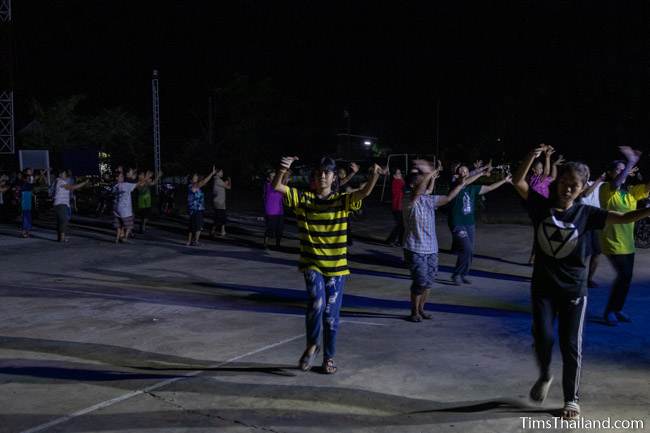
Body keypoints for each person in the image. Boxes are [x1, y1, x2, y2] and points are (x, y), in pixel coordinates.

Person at [512, 145, 650, 420]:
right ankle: (544, 374)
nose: (567, 188)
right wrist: (531, 156)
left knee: (570, 344)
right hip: (543, 288)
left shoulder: (588, 215)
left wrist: (647, 212)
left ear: (582, 187)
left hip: (574, 289)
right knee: (542, 337)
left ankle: (571, 399)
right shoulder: (540, 207)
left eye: (573, 185)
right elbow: (518, 181)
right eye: (564, 182)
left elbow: (622, 218)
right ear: (557, 182)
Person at [271, 156, 382, 374]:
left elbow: (364, 193)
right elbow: (277, 186)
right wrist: (282, 167)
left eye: (327, 172)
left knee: (331, 315)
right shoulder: (302, 198)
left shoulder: (343, 200)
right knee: (316, 303)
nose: (322, 176)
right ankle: (312, 344)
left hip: (337, 267)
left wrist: (374, 176)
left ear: (334, 177)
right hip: (312, 263)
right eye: (319, 172)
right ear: (314, 177)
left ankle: (328, 357)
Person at [402, 160, 468, 322]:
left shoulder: (427, 200)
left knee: (429, 282)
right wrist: (431, 173)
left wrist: (460, 185)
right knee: (420, 281)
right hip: (415, 248)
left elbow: (447, 198)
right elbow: (418, 191)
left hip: (431, 248)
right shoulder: (409, 200)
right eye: (419, 180)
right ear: (412, 185)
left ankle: (421, 309)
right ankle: (414, 312)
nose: (422, 183)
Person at [599, 147, 650, 325]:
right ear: (610, 173)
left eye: (624, 170)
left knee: (626, 278)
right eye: (618, 169)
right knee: (624, 276)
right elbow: (615, 184)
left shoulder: (629, 192)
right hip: (612, 242)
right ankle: (609, 312)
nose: (622, 172)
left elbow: (647, 188)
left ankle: (617, 309)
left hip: (628, 243)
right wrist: (630, 162)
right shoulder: (606, 188)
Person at [448, 162, 512, 284]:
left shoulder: (472, 188)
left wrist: (504, 180)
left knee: (470, 250)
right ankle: (457, 274)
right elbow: (464, 182)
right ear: (456, 174)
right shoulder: (455, 184)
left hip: (469, 223)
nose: (464, 173)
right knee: (466, 248)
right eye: (461, 171)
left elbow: (489, 188)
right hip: (457, 223)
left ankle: (463, 274)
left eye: (466, 171)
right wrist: (482, 172)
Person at [579, 167, 605, 288]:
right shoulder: (580, 185)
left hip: (596, 221)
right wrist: (599, 180)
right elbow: (586, 194)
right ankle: (579, 278)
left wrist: (626, 171)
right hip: (583, 221)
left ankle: (589, 279)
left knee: (597, 252)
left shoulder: (600, 184)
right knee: (584, 253)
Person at [53, 170, 89, 243]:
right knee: (64, 220)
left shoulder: (61, 181)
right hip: (61, 204)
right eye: (62, 174)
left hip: (62, 204)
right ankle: (62, 238)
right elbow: (71, 187)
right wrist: (84, 183)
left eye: (64, 174)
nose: (63, 175)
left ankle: (60, 237)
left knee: (61, 221)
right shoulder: (60, 181)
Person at [188, 166, 217, 246]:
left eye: (196, 176)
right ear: (191, 179)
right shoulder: (193, 186)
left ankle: (189, 241)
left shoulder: (193, 186)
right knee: (199, 225)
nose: (196, 177)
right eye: (194, 177)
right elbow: (203, 182)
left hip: (195, 209)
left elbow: (203, 183)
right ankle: (195, 241)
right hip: (196, 209)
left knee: (192, 225)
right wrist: (211, 174)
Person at [112, 168, 143, 244]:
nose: (123, 177)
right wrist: (144, 177)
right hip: (125, 209)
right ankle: (125, 237)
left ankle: (117, 238)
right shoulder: (125, 185)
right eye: (121, 176)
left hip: (116, 208)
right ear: (117, 178)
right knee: (129, 225)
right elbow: (138, 183)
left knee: (119, 225)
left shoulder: (114, 186)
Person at [263, 169, 289, 249]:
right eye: (273, 176)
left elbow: (284, 183)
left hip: (280, 211)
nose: (275, 177)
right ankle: (265, 244)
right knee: (270, 229)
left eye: (275, 176)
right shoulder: (268, 185)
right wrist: (286, 174)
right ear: (268, 178)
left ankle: (278, 245)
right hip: (270, 211)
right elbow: (284, 181)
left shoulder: (278, 185)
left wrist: (286, 175)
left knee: (279, 229)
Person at [386, 168, 405, 246]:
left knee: (402, 225)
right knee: (400, 225)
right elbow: (404, 186)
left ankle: (400, 241)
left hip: (399, 206)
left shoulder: (398, 181)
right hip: (397, 207)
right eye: (398, 173)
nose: (400, 174)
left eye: (400, 173)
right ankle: (391, 240)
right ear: (394, 176)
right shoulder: (396, 182)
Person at [210, 168, 231, 237]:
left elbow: (225, 184)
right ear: (217, 173)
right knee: (218, 218)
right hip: (218, 202)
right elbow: (228, 187)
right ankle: (212, 231)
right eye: (221, 172)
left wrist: (227, 182)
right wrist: (229, 181)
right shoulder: (218, 180)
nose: (222, 173)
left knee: (223, 217)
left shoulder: (218, 180)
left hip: (221, 202)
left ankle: (223, 231)